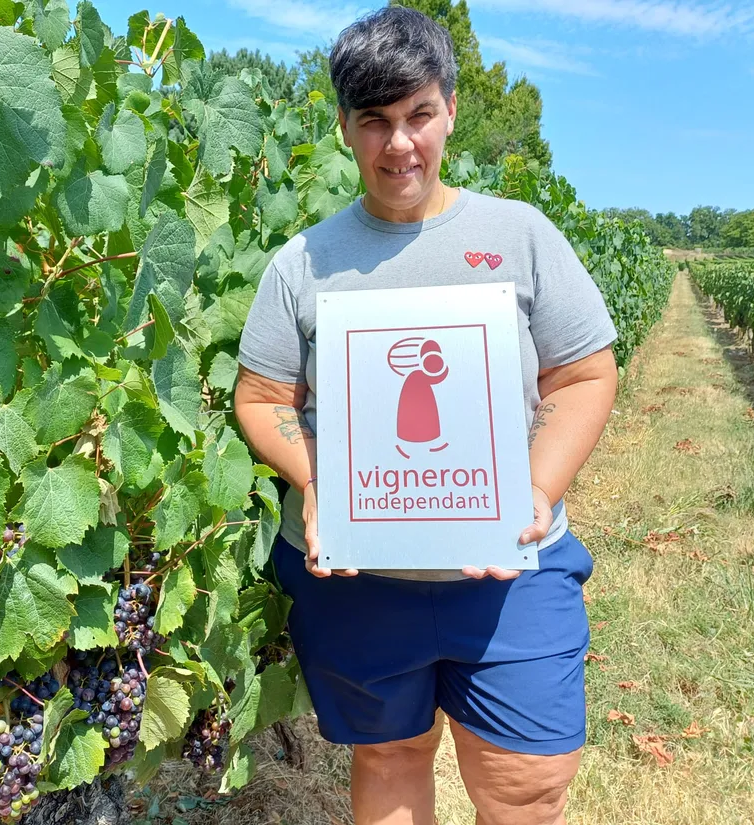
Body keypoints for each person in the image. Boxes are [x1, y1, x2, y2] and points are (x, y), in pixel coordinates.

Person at [233, 7, 619, 824]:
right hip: (361, 580)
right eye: (375, 120)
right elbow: (263, 398)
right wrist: (317, 483)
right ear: (344, 126)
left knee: (528, 784)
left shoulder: (519, 235)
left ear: (450, 110)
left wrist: (534, 489)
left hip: (510, 574)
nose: (399, 143)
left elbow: (584, 374)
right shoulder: (302, 264)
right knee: (388, 757)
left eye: (419, 114)